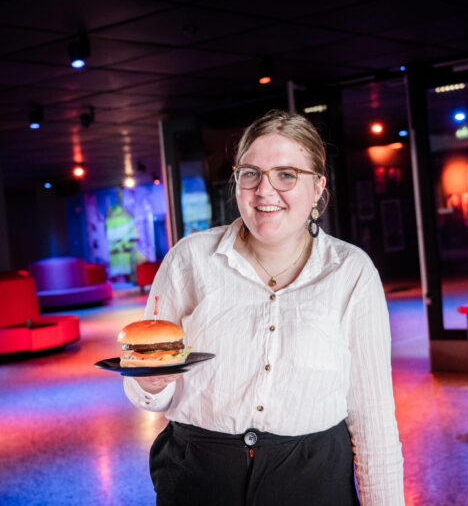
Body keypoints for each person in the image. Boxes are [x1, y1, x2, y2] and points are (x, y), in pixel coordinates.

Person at [123, 110, 404, 505]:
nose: (264, 191)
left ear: (318, 188)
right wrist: (150, 385)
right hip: (197, 478)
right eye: (251, 173)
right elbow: (148, 384)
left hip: (313, 480)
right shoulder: (190, 259)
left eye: (286, 175)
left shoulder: (351, 271)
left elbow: (373, 420)